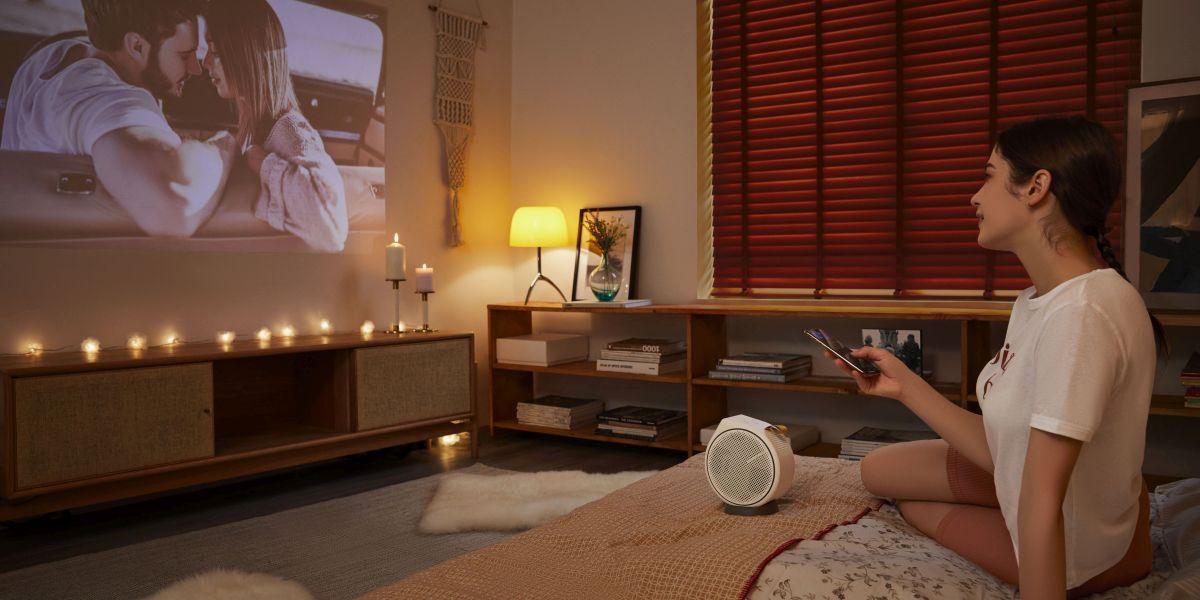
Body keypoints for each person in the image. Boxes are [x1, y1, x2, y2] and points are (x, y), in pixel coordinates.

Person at [824, 116, 1167, 598]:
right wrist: (903, 384)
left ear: (1036, 188)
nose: (975, 196)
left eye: (988, 175)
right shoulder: (1037, 300)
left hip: (1080, 544)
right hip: (1066, 490)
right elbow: (1003, 449)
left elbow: (1042, 500)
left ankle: (1123, 554)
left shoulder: (1081, 315)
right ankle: (1127, 528)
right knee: (875, 472)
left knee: (915, 507)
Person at [1, 0, 237, 237]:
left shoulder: (53, 54)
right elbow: (174, 210)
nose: (195, 69)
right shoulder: (109, 99)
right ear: (136, 45)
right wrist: (223, 146)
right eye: (184, 55)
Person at [202, 0, 348, 252]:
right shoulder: (255, 125)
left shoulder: (290, 129)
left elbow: (330, 228)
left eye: (214, 50)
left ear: (245, 55)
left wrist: (260, 162)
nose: (205, 62)